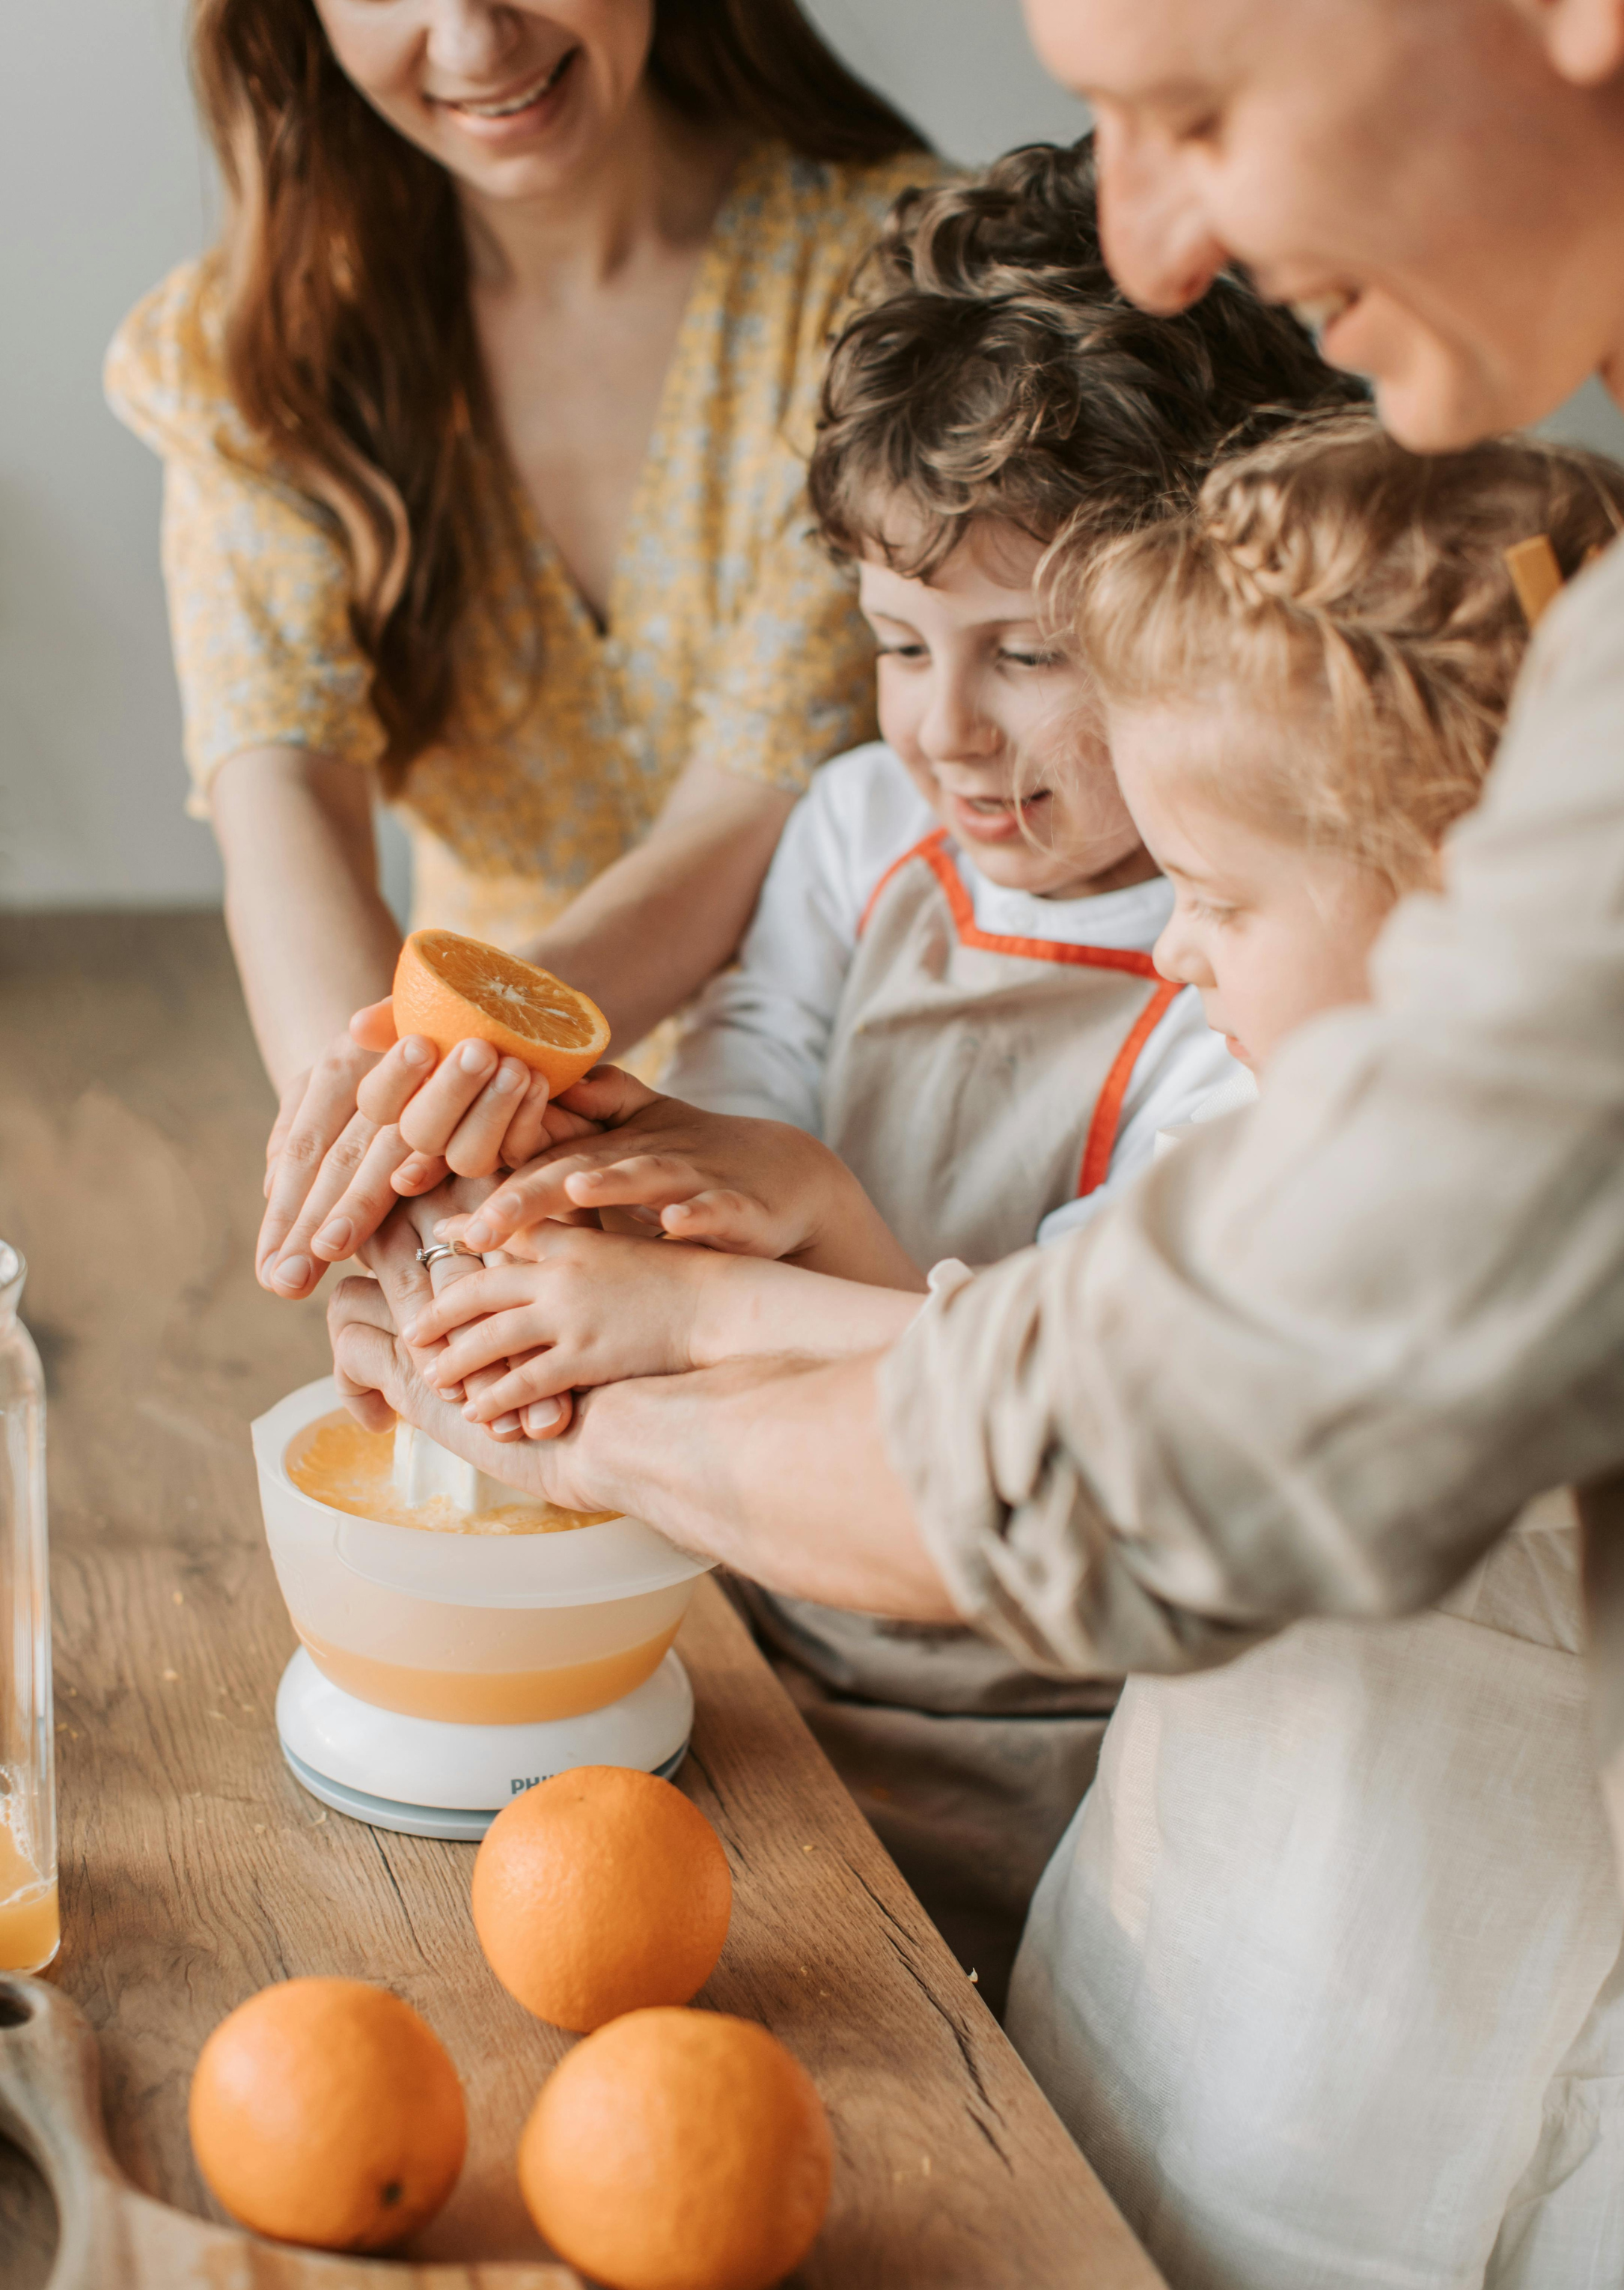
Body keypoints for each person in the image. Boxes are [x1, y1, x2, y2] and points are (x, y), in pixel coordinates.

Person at [331, 0, 1624, 1882]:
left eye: (1191, 109)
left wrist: (612, 1393)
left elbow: (1157, 1439)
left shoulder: (1375, 906)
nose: (1163, 238)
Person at [386, 144, 1352, 2003]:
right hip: (742, 1620)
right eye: (897, 643)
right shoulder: (854, 831)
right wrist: (584, 1192)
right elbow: (745, 1086)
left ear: (1205, 623)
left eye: (1026, 654)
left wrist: (791, 1222)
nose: (943, 727)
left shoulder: (1246, 971)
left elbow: (1069, 1375)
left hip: (1036, 1736)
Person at [1002, 411, 1624, 2290]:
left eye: (1213, 895)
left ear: (1451, 898)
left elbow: (1124, 1429)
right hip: (1147, 2006)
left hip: (1381, 2142)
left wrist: (696, 1343)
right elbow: (1050, 1331)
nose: (1172, 955)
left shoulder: (1519, 1254)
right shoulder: (1269, 1127)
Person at [106, 0, 941, 1305]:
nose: (473, 42)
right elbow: (280, 808)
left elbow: (740, 820)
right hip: (467, 1147)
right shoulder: (249, 350)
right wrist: (393, 1183)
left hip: (842, 1122)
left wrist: (439, 1089)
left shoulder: (884, 276)